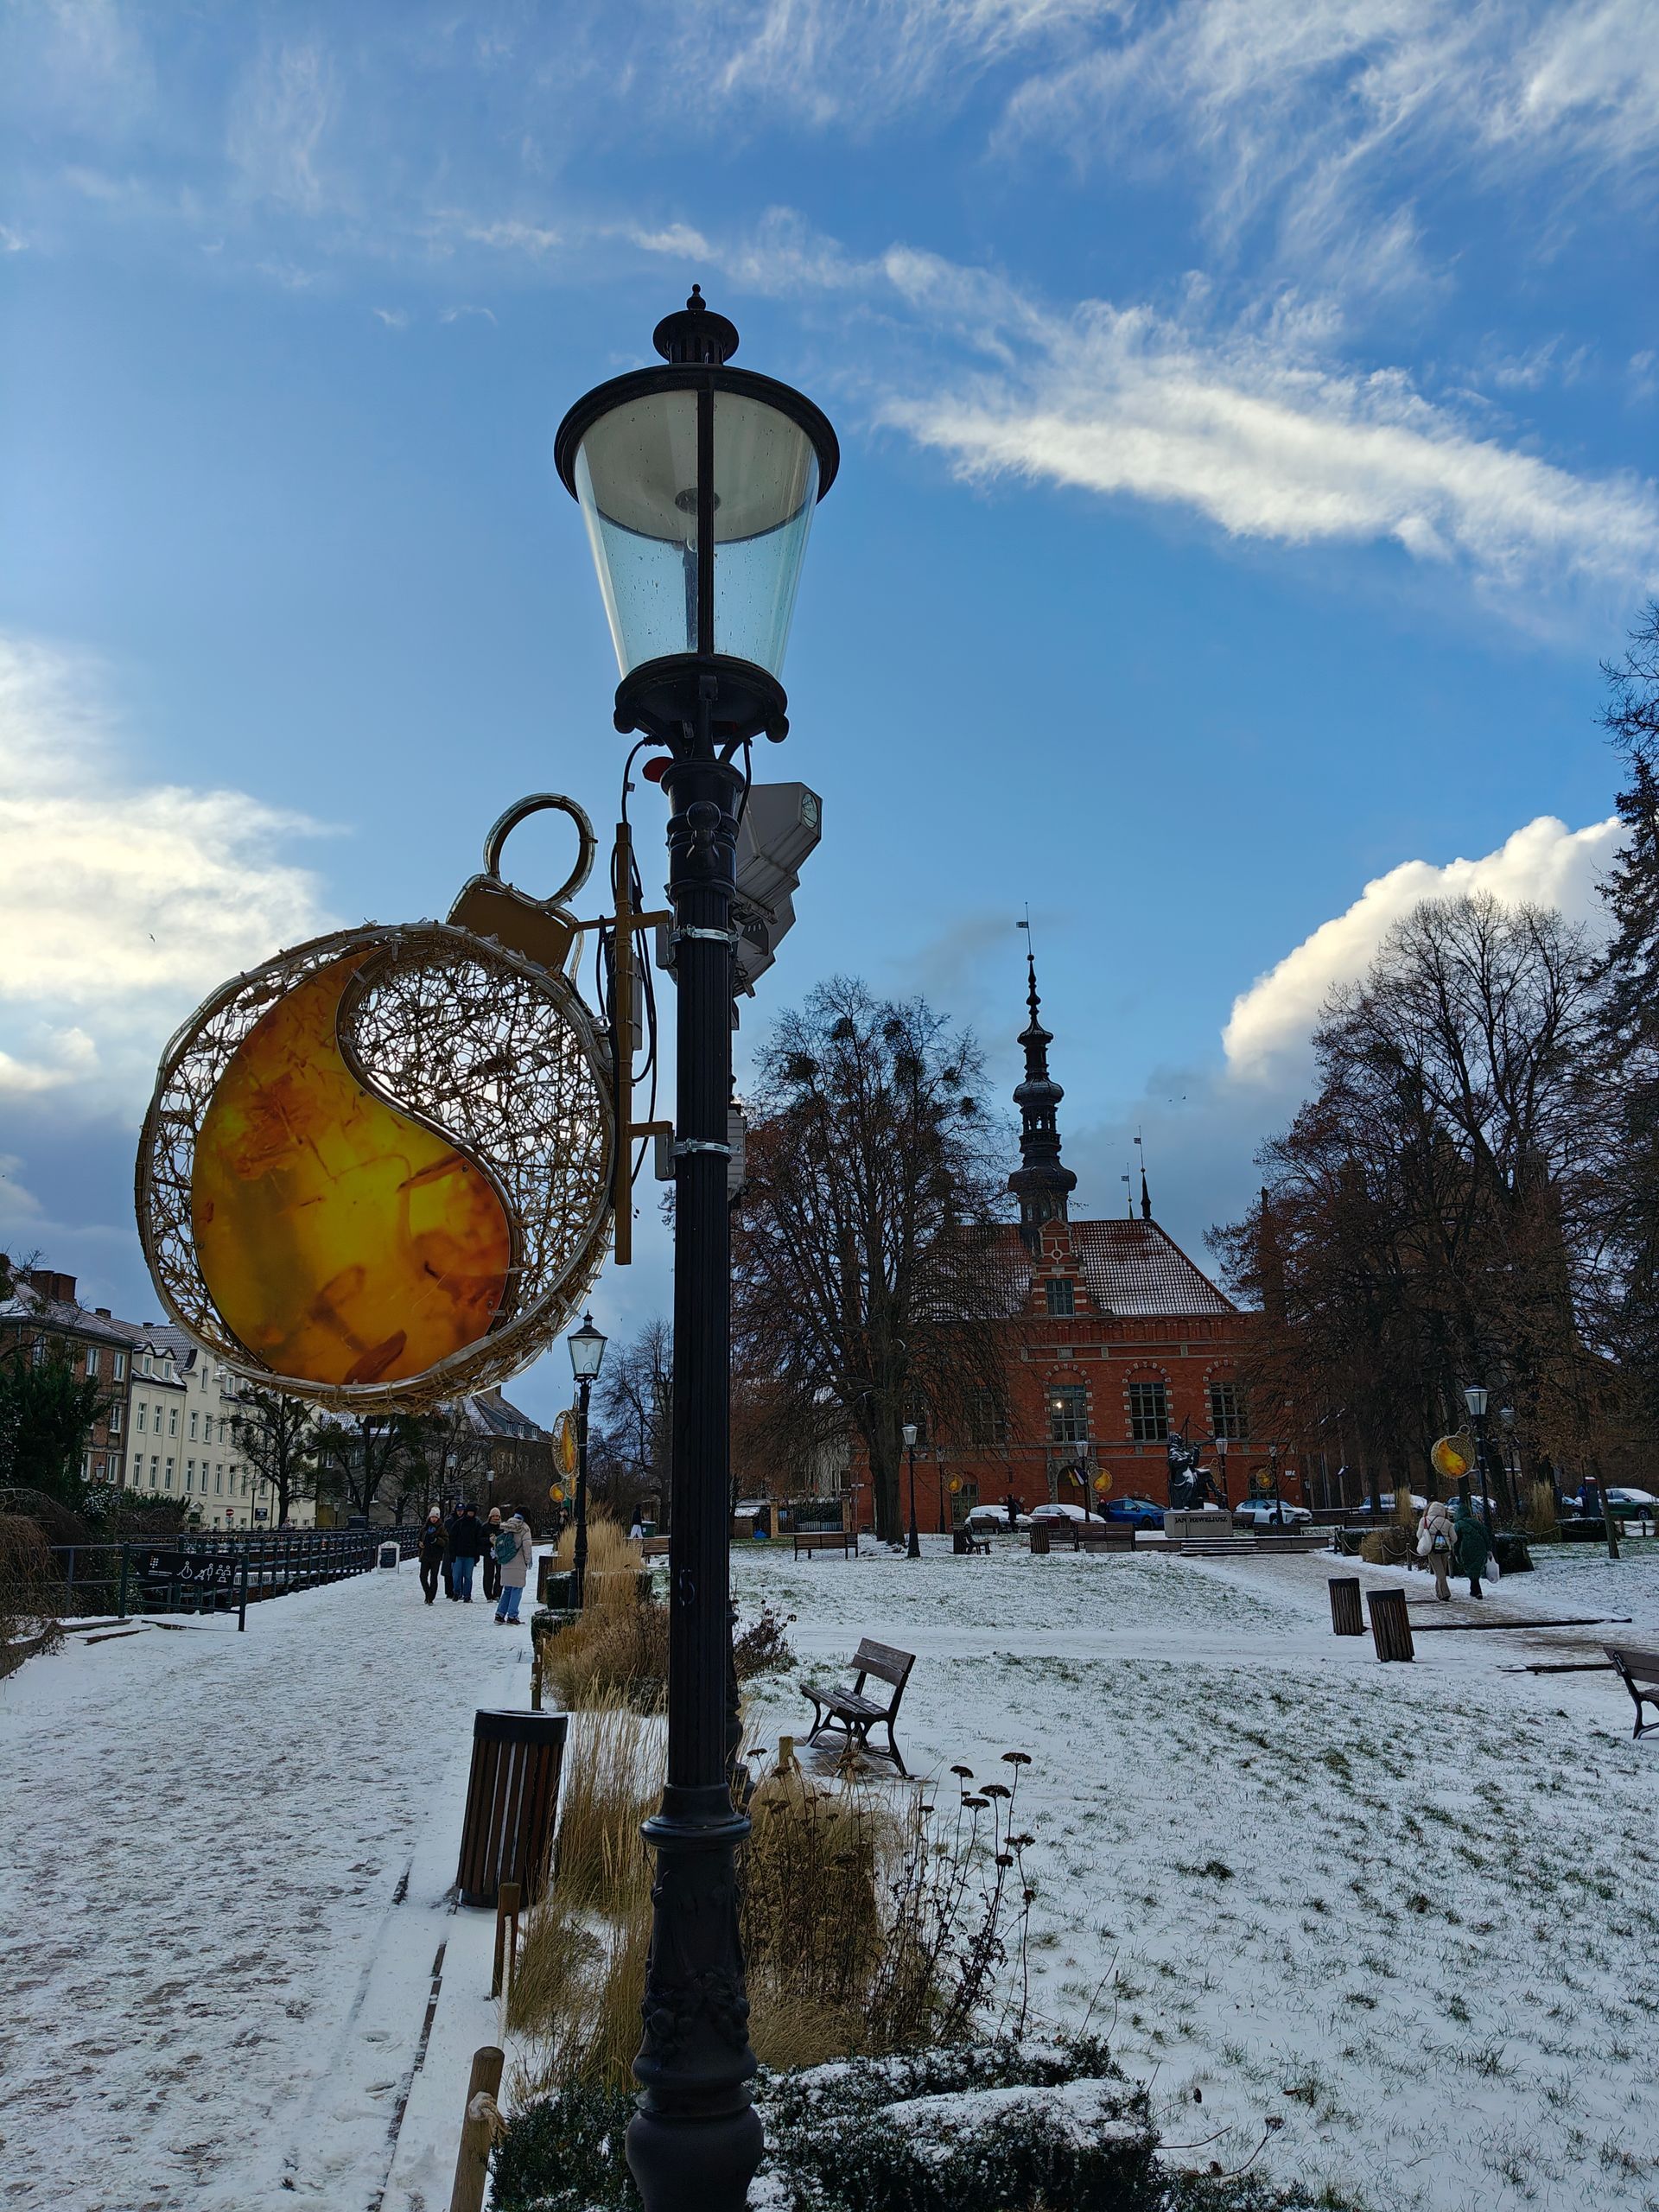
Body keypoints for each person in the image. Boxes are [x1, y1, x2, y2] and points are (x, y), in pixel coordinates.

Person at [493, 1507, 534, 1624]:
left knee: (507, 1590)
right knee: (517, 1589)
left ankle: (500, 1614)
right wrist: (528, 1561)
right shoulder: (524, 1528)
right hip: (518, 1562)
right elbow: (527, 1547)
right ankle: (512, 1616)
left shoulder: (507, 1525)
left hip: (506, 1561)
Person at [1451, 1493, 1490, 1600]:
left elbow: (1456, 1540)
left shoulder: (1458, 1525)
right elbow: (1485, 1535)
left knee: (1471, 1569)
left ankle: (1476, 1591)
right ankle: (1475, 1590)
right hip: (1480, 1548)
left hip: (1466, 1549)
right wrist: (1488, 1548)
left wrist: (1456, 1553)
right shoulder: (1476, 1522)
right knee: (1476, 1569)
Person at [1417, 1497, 1455, 1602]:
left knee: (1439, 1572)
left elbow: (1419, 1535)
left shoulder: (1424, 1520)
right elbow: (1454, 1538)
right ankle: (1440, 1592)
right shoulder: (1447, 1522)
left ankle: (1444, 1594)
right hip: (1445, 1549)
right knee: (1442, 1571)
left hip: (1432, 1549)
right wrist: (1449, 1543)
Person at [451, 1503, 483, 1603]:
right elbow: (452, 1539)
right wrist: (452, 1552)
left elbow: (478, 1540)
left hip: (470, 1554)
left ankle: (467, 1595)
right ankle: (457, 1592)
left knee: (468, 1576)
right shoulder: (459, 1523)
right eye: (469, 1512)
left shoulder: (477, 1524)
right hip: (458, 1553)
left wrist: (477, 1554)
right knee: (456, 1576)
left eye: (472, 1512)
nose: (470, 1514)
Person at [417, 1508, 447, 1605]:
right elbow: (419, 1539)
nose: (433, 1519)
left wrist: (437, 1540)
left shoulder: (441, 1528)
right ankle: (428, 1593)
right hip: (425, 1555)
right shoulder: (425, 1528)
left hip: (436, 1556)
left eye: (435, 1517)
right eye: (432, 1517)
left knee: (433, 1577)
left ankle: (431, 1598)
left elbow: (446, 1541)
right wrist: (419, 1544)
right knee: (423, 1576)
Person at [483, 1506, 504, 1602]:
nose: (496, 1518)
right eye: (494, 1516)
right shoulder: (485, 1527)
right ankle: (488, 1595)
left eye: (498, 1516)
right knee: (488, 1574)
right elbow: (479, 1539)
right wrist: (488, 1540)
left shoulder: (503, 1527)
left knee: (500, 1574)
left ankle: (497, 1594)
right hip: (488, 1553)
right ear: (490, 1517)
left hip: (500, 1554)